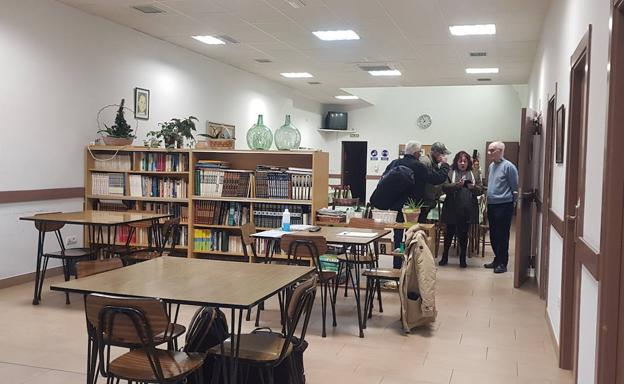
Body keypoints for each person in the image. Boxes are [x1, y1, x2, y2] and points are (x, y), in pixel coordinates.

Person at [370, 140, 450, 270]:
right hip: (413, 208)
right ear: (417, 153)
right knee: (412, 235)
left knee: (398, 235)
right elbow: (437, 179)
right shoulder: (418, 166)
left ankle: (397, 265)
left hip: (396, 206)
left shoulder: (394, 163)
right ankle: (410, 265)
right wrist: (445, 165)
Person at [439, 151, 483, 268]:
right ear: (456, 162)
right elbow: (444, 187)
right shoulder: (450, 172)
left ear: (468, 162)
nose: (462, 163)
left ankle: (463, 258)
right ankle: (444, 257)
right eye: (460, 161)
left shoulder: (474, 173)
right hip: (451, 208)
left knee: (463, 235)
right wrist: (457, 185)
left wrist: (473, 187)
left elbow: (480, 190)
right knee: (449, 234)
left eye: (465, 161)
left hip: (467, 209)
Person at [484, 141, 518, 273]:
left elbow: (515, 187)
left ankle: (502, 263)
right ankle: (497, 259)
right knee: (493, 234)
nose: (489, 153)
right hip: (492, 204)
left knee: (502, 235)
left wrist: (513, 204)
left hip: (504, 205)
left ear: (500, 151)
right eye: (489, 150)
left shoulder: (509, 167)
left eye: (492, 150)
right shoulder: (492, 166)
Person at [419, 142, 452, 222]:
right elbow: (435, 180)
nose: (444, 156)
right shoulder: (425, 162)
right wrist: (445, 165)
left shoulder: (434, 164)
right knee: (417, 227)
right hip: (422, 202)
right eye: (442, 154)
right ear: (436, 152)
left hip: (428, 201)